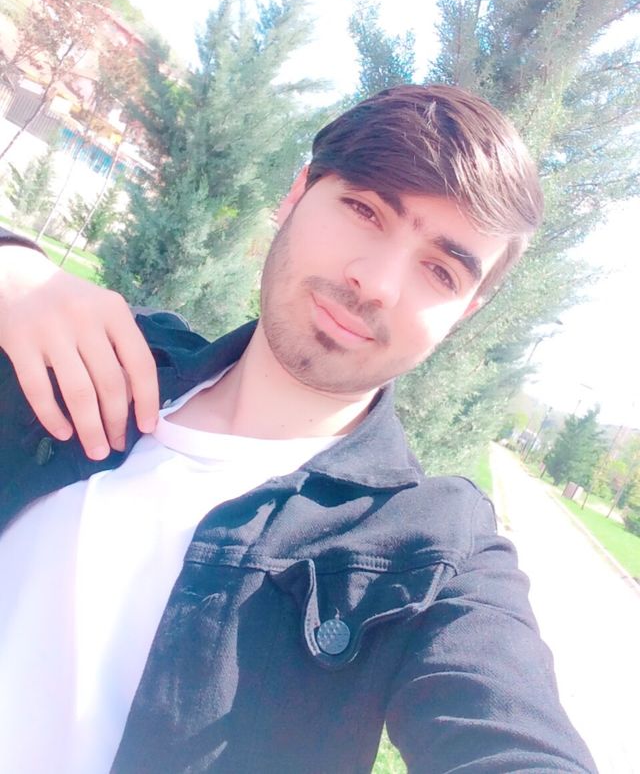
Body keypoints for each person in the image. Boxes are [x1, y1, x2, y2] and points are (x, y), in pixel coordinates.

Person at [0, 85, 596, 773]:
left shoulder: (436, 553)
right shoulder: (92, 355)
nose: (377, 283)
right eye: (365, 210)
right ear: (297, 193)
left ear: (462, 314)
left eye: (439, 270)